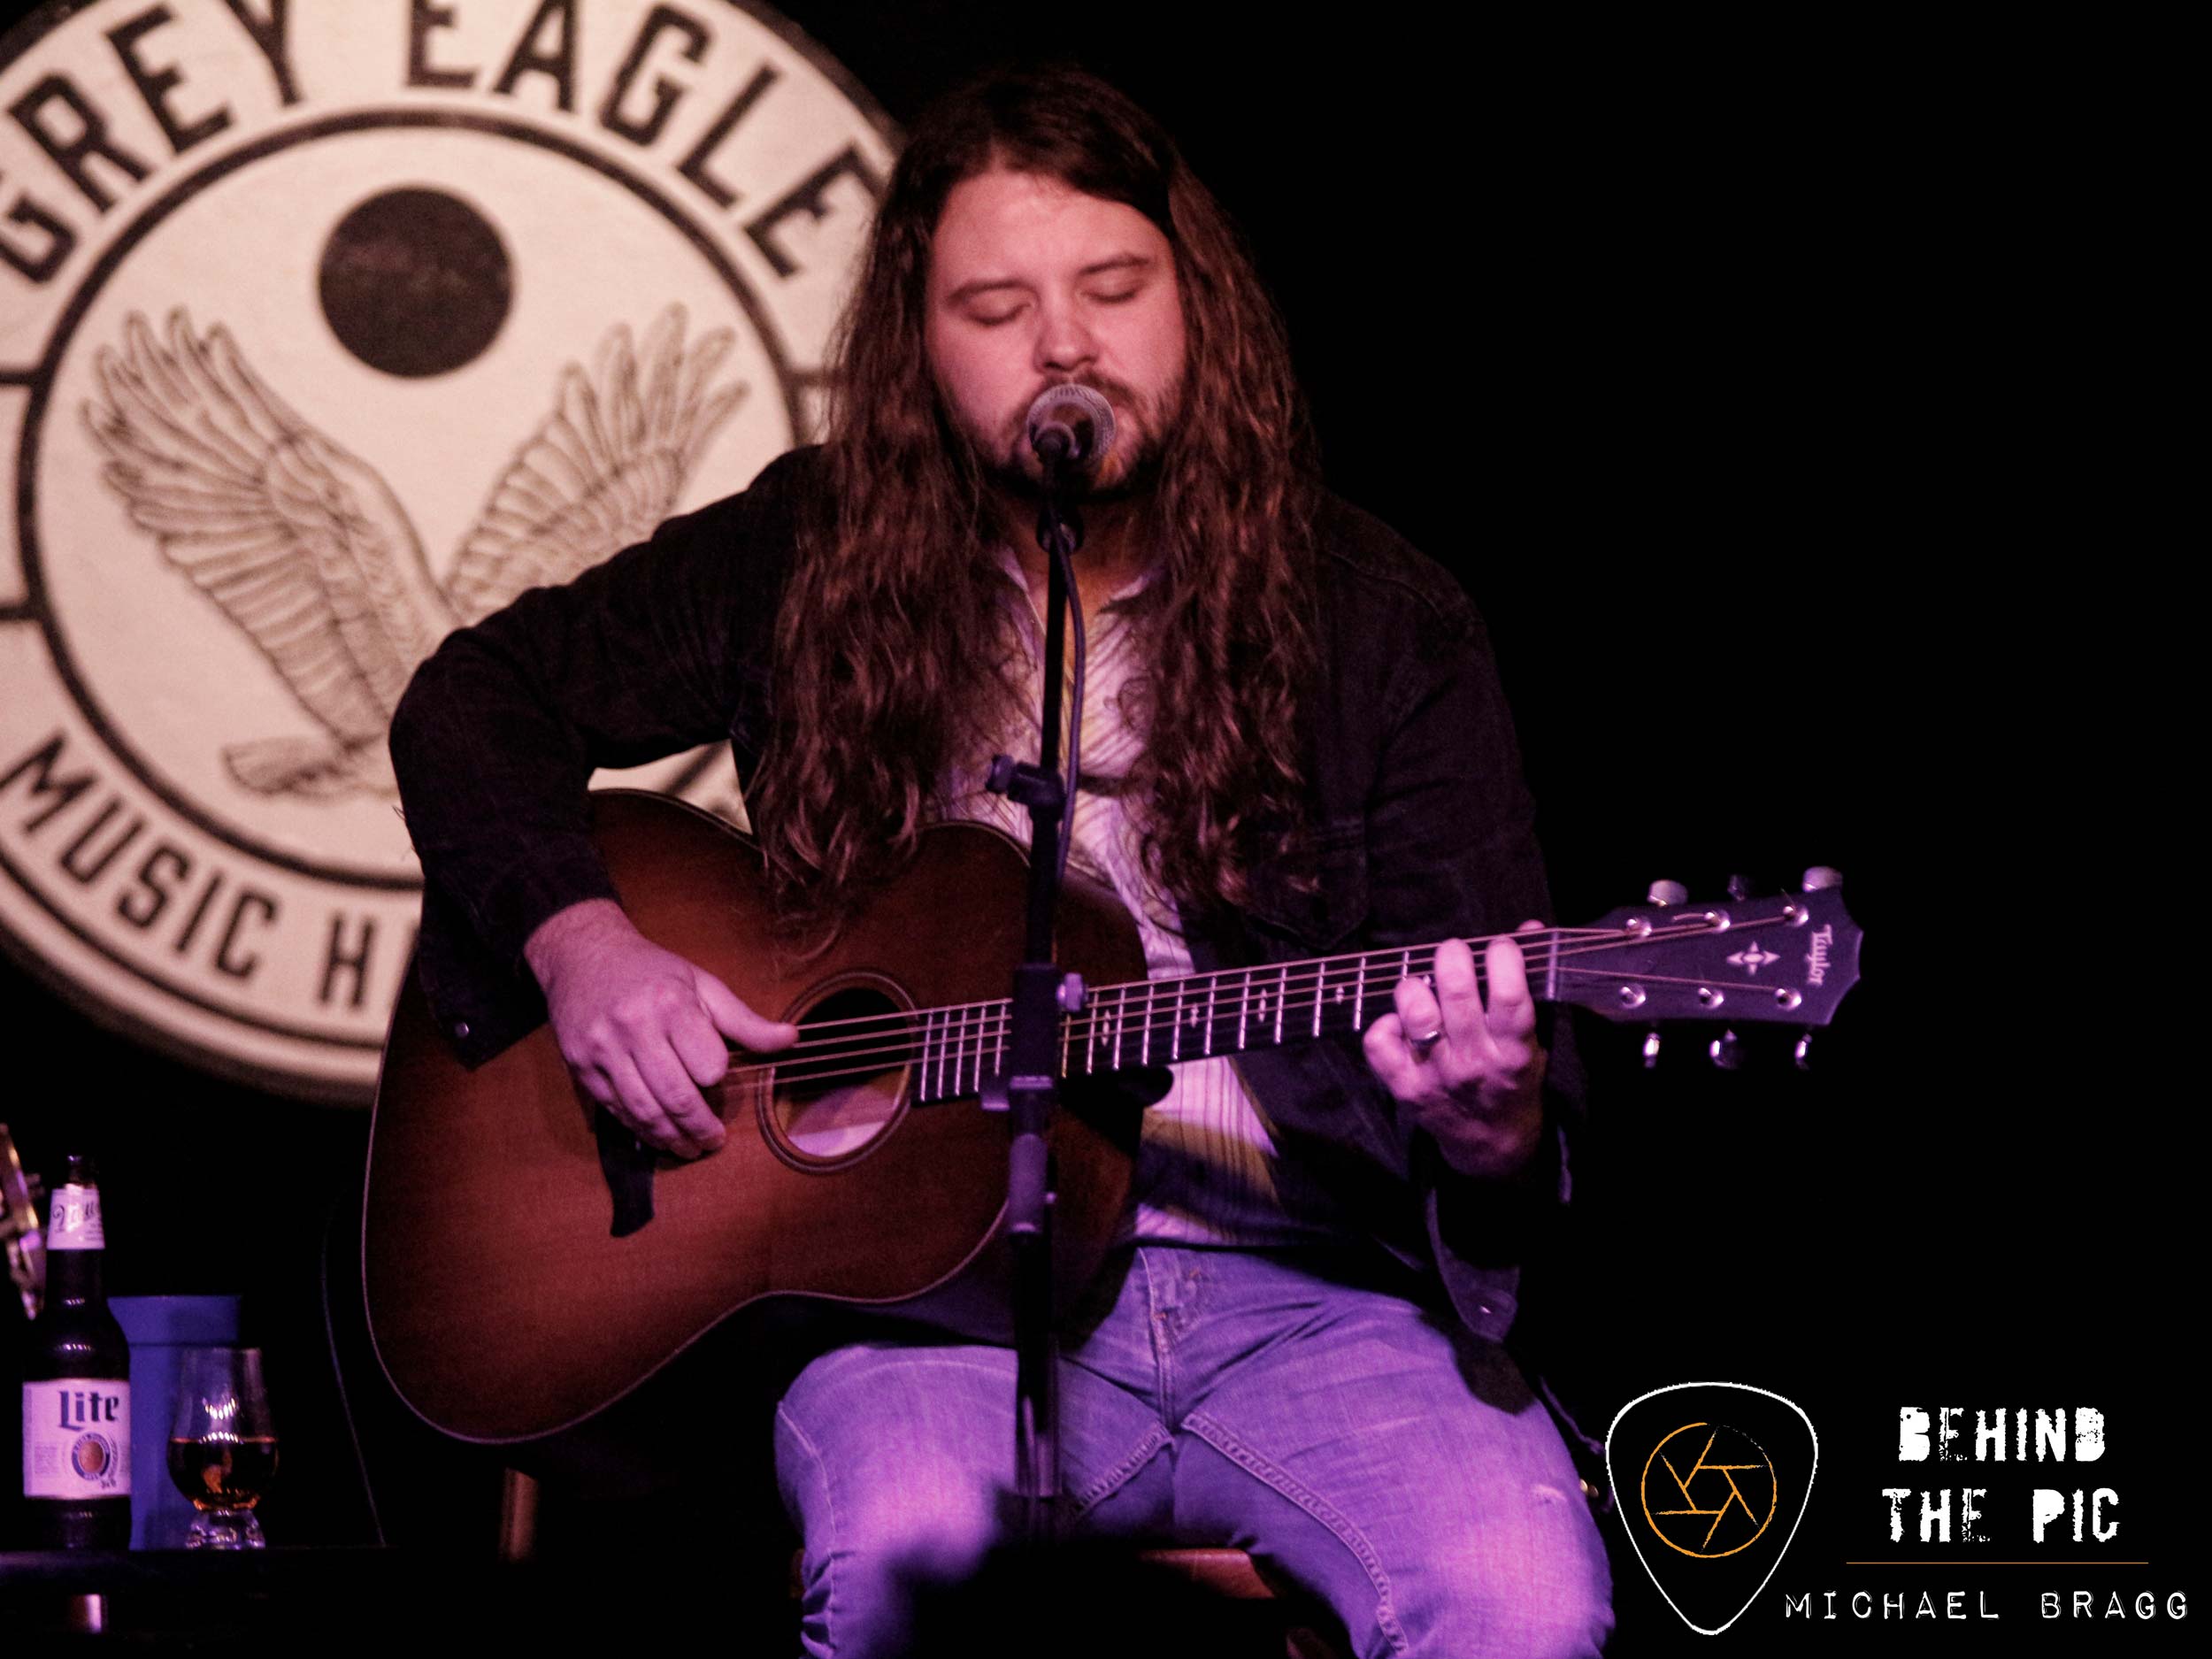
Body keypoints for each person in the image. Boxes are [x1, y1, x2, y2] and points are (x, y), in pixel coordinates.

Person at [389, 65, 1612, 1659]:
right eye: (995, 306)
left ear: (1198, 304)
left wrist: (1492, 1124)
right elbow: (472, 703)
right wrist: (581, 943)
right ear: (921, 346)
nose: (1065, 346)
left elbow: (1517, 1125)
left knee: (1522, 1604)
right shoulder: (808, 556)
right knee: (897, 1562)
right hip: (925, 1322)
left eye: (1115, 287)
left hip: (1311, 1303)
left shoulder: (1382, 622)